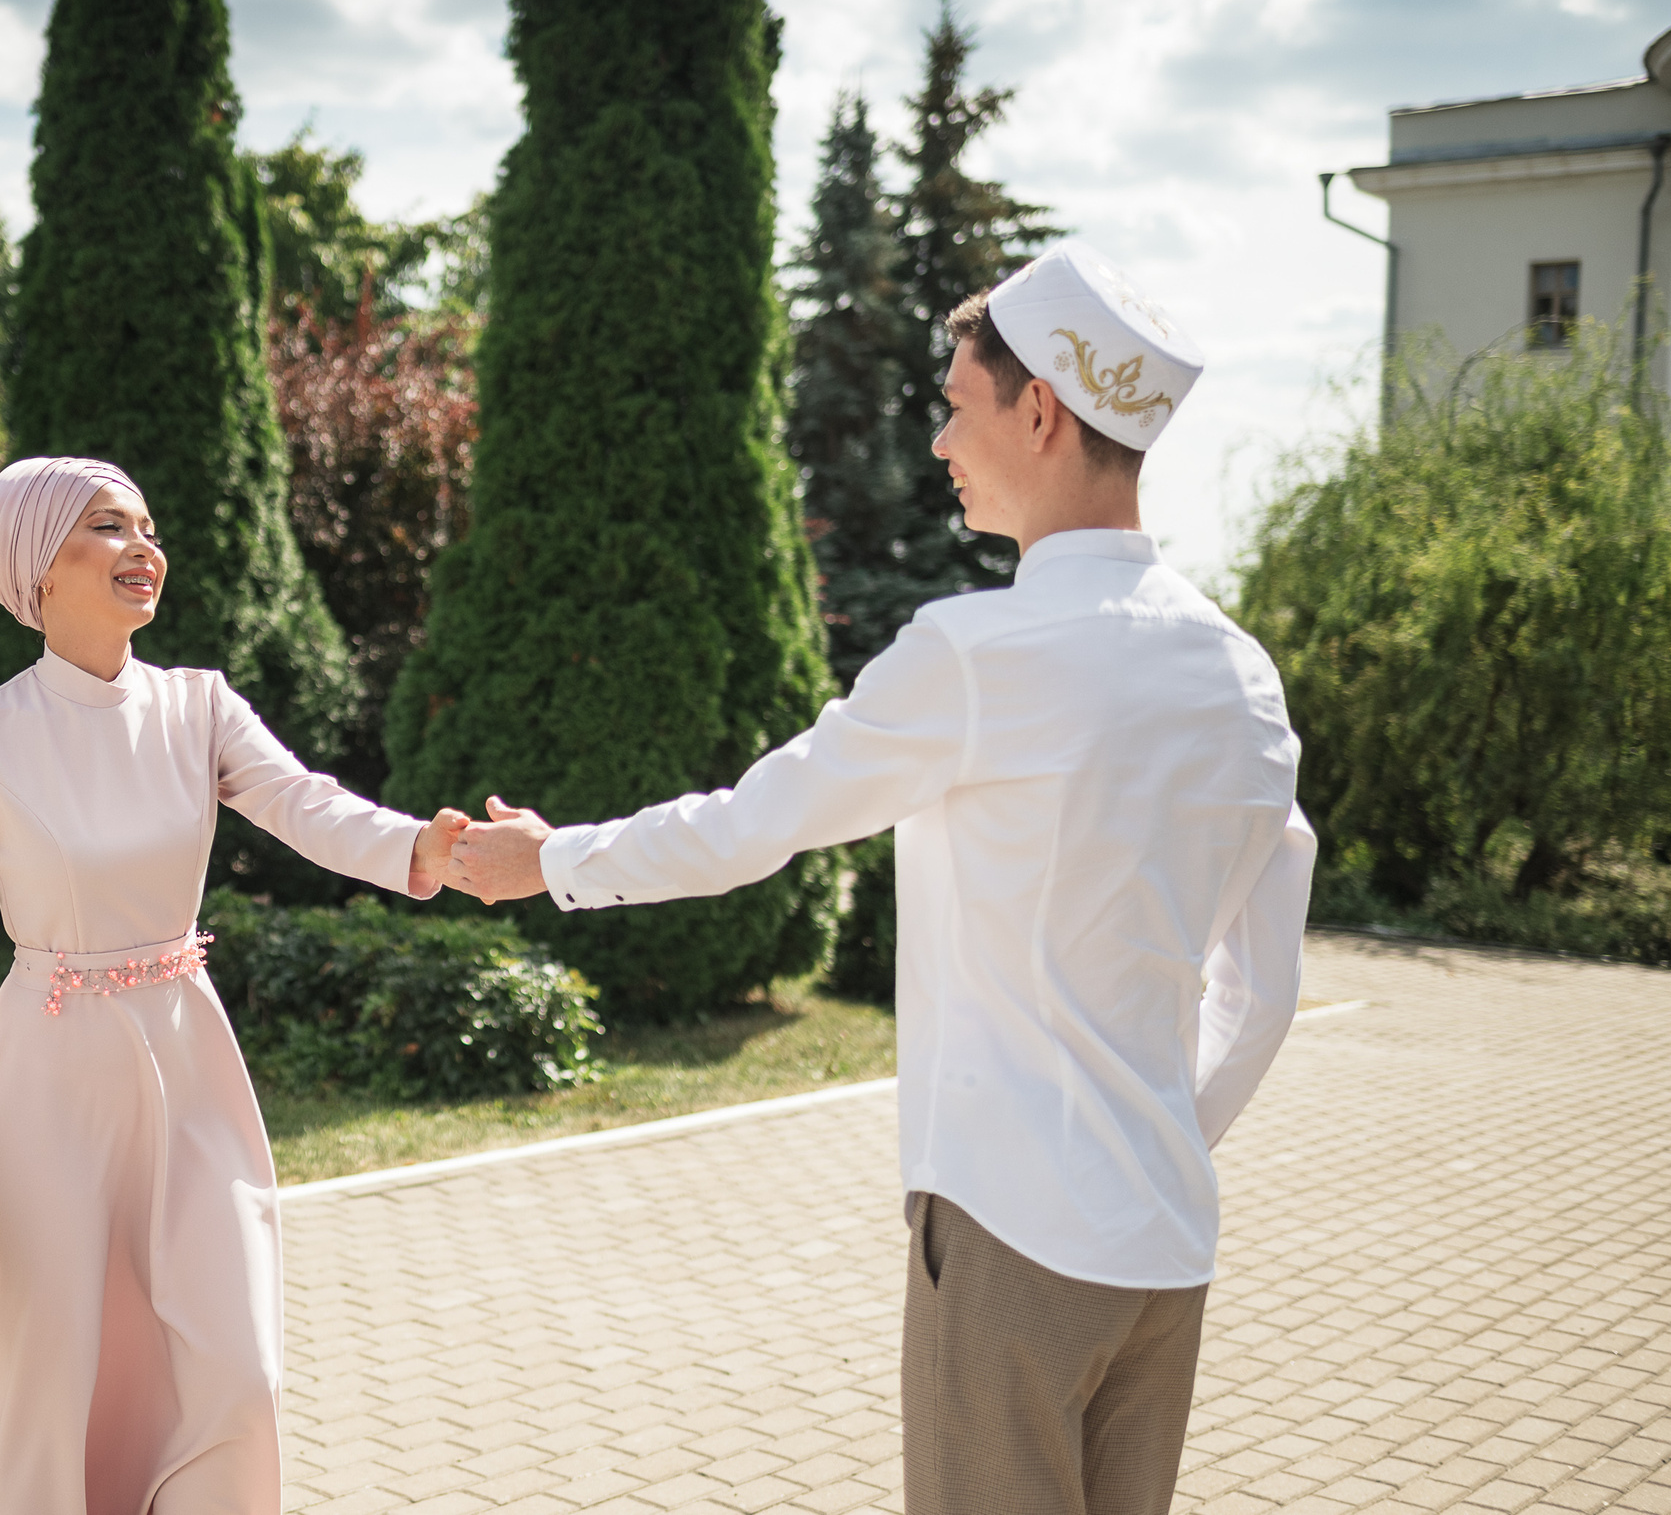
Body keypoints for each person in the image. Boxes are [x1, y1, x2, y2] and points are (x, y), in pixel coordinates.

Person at [448, 242, 1316, 1515]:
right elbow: (1269, 983)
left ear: (1039, 409)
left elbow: (758, 821)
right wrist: (1169, 1132)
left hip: (1013, 1229)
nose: (937, 442)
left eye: (956, 405)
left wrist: (553, 859)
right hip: (1166, 1243)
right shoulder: (1241, 674)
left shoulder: (978, 652)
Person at [0, 456, 468, 1515]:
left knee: (236, 1365)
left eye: (147, 524)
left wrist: (420, 851)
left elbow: (307, 803)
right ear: (36, 565)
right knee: (48, 1379)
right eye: (110, 527)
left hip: (189, 1064)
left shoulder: (197, 705)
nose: (144, 548)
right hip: (43, 1091)